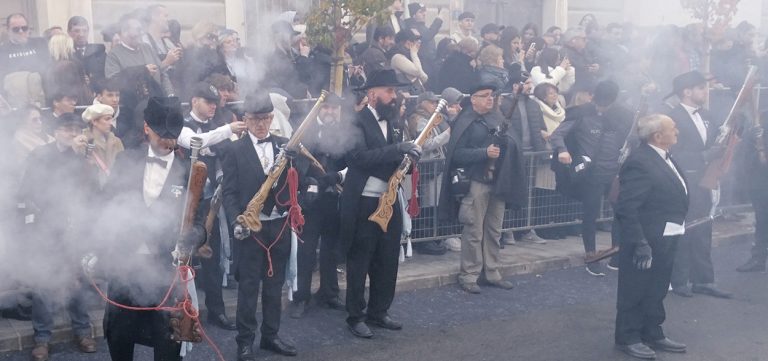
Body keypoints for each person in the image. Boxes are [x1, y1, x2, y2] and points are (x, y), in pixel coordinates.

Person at [100, 96, 205, 361]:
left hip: (165, 270)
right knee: (119, 337)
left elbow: (202, 223)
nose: (169, 142)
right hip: (125, 265)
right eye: (162, 135)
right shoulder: (126, 160)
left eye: (173, 136)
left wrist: (193, 237)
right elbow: (106, 205)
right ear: (147, 128)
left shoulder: (191, 170)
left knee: (168, 343)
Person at [223, 91, 303, 359]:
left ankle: (271, 335)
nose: (261, 124)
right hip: (251, 228)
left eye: (266, 118)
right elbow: (230, 192)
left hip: (278, 226)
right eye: (256, 119)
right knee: (248, 288)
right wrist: (237, 219)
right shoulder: (234, 150)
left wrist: (296, 159)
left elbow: (297, 179)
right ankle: (244, 341)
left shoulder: (284, 145)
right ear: (246, 119)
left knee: (274, 285)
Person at [340, 69, 419, 338]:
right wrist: (397, 150)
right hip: (364, 202)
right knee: (360, 260)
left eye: (394, 92)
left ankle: (379, 311)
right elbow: (358, 158)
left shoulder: (395, 122)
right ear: (372, 94)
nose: (393, 96)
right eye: (389, 91)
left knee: (387, 260)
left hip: (390, 199)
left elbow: (396, 160)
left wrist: (409, 160)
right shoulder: (356, 121)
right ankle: (355, 316)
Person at [19, 112, 97, 361]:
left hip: (77, 226)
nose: (73, 133)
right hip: (47, 226)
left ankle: (83, 331)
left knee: (78, 279)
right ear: (55, 132)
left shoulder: (84, 156)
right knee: (45, 282)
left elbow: (93, 190)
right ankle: (42, 338)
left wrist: (84, 161)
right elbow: (28, 190)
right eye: (66, 129)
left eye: (76, 129)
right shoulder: (40, 155)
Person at [613, 114, 689, 360]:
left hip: (666, 235)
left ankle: (652, 331)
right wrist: (640, 243)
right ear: (658, 136)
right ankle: (628, 337)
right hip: (645, 239)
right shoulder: (640, 162)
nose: (676, 130)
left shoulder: (663, 156)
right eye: (672, 127)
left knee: (656, 286)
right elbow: (627, 207)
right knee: (635, 288)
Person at [438, 82, 526, 294]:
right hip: (475, 181)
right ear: (473, 99)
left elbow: (513, 144)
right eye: (485, 95)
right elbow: (457, 154)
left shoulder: (497, 118)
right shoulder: (465, 120)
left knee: (494, 230)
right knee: (473, 231)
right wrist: (484, 153)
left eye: (492, 95)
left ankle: (492, 272)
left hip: (498, 181)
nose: (490, 99)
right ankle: (469, 275)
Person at [178, 82, 244, 331]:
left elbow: (220, 159)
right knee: (183, 259)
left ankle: (217, 311)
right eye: (208, 102)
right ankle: (185, 312)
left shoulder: (217, 128)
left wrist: (219, 179)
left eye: (215, 103)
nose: (213, 107)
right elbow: (196, 142)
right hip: (185, 202)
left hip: (209, 202)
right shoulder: (182, 125)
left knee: (211, 256)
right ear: (195, 101)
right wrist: (228, 129)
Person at [550, 80, 633, 275]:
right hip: (591, 174)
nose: (601, 107)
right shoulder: (580, 113)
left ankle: (616, 255)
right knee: (590, 216)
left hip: (614, 173)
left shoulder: (623, 115)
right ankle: (591, 256)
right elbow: (557, 135)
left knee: (620, 214)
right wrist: (562, 150)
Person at [665, 71, 732, 299]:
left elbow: (715, 144)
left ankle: (703, 280)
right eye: (701, 88)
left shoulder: (707, 115)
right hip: (684, 180)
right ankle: (679, 280)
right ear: (687, 91)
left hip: (706, 179)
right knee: (684, 230)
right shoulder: (671, 117)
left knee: (704, 229)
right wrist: (704, 156)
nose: (706, 91)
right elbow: (671, 153)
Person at [289, 93, 346, 318]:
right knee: (306, 251)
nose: (330, 112)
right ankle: (300, 297)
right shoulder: (305, 130)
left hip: (333, 198)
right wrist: (308, 181)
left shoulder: (344, 133)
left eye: (334, 109)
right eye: (327, 108)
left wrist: (336, 177)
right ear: (319, 109)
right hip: (310, 201)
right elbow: (295, 162)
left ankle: (329, 293)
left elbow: (349, 162)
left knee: (331, 250)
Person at [105, 16, 174, 96]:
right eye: (138, 30)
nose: (142, 33)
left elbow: (162, 73)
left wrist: (170, 94)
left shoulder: (147, 48)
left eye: (142, 30)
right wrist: (143, 71)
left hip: (157, 102)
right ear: (125, 32)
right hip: (132, 105)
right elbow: (113, 83)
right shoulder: (114, 55)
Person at [737, 112, 768, 272]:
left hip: (761, 181)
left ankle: (758, 258)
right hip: (760, 182)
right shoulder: (759, 122)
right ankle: (758, 258)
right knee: (762, 221)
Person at [81, 103, 125, 188]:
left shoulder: (116, 141)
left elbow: (123, 166)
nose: (110, 123)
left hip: (114, 187)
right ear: (94, 121)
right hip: (92, 189)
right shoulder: (83, 142)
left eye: (111, 119)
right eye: (107, 119)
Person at [67, 16, 107, 83]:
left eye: (84, 31)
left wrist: (92, 80)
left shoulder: (99, 53)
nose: (81, 34)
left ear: (88, 31)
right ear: (69, 32)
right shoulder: (66, 54)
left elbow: (105, 77)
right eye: (77, 31)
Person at [390, 29, 428, 94]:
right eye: (413, 41)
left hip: (414, 93)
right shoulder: (397, 57)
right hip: (405, 95)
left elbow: (424, 77)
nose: (415, 44)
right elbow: (417, 71)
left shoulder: (410, 56)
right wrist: (414, 53)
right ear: (406, 42)